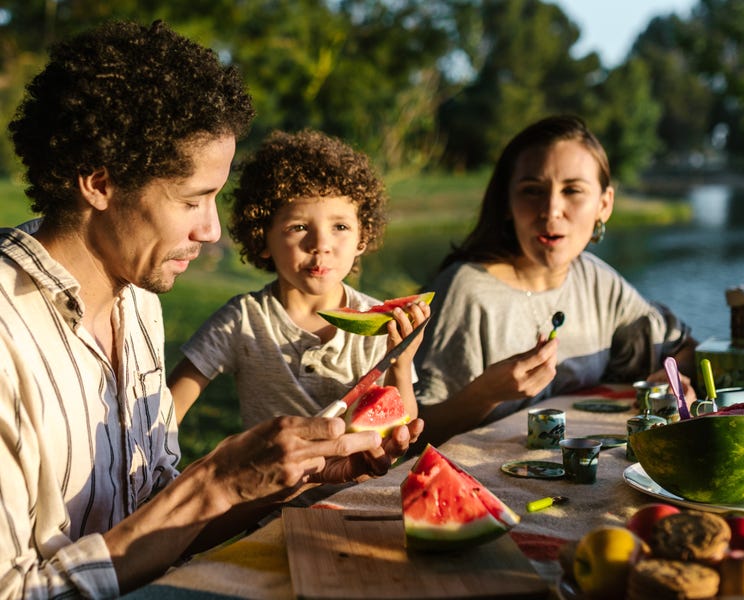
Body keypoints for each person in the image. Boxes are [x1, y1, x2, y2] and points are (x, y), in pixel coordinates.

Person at [0, 21, 422, 598]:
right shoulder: (6, 335)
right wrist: (214, 482)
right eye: (192, 199)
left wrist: (284, 481)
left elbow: (154, 522)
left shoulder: (139, 299)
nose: (213, 229)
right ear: (100, 183)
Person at [413, 114, 697, 446]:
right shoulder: (465, 291)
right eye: (532, 190)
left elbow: (680, 346)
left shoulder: (594, 278)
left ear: (604, 205)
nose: (550, 210)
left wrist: (674, 378)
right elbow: (414, 436)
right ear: (507, 202)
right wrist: (485, 394)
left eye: (573, 190)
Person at [168, 129, 429, 428]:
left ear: (362, 238)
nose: (321, 244)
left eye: (340, 227)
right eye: (299, 227)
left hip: (361, 477)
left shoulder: (380, 326)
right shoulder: (242, 320)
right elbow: (168, 410)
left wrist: (401, 361)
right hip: (268, 475)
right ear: (262, 238)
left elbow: (401, 428)